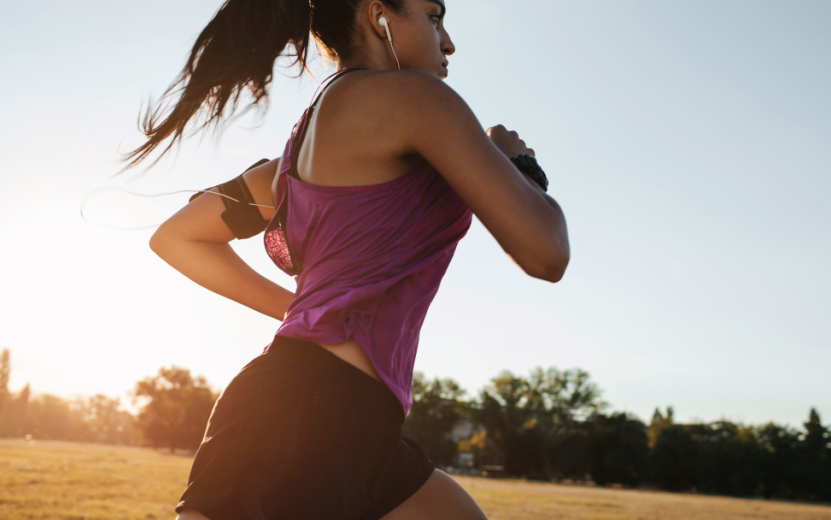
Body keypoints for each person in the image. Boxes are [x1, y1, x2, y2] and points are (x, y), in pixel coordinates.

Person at [129, 0, 569, 518]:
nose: (448, 43)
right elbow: (546, 252)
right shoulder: (418, 99)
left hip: (348, 419)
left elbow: (178, 237)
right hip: (305, 416)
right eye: (433, 16)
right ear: (378, 14)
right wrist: (518, 164)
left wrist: (305, 315)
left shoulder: (292, 165)